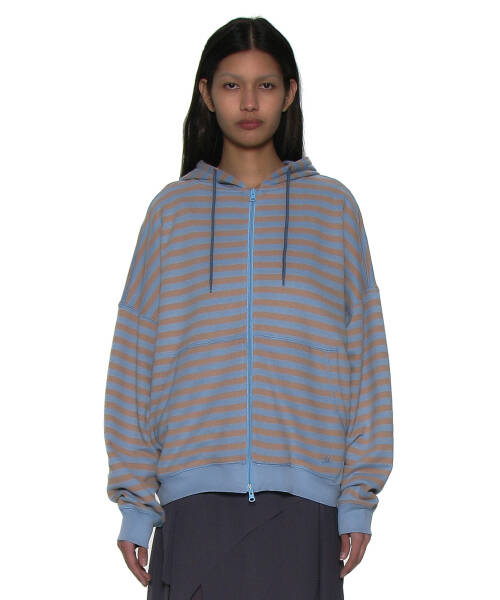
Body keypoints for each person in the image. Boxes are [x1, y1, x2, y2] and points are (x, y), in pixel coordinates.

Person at [103, 16, 394, 600]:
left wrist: (357, 497)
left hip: (306, 504)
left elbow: (366, 356)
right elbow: (133, 358)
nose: (250, 102)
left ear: (289, 93)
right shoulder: (171, 214)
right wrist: (135, 502)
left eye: (265, 84)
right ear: (207, 94)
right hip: (192, 503)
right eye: (232, 85)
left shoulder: (334, 210)